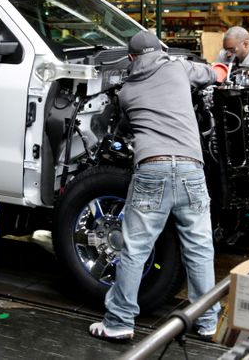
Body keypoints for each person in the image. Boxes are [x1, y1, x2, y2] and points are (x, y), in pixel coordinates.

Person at [89, 30, 227, 342]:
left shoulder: (126, 91)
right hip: (192, 168)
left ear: (130, 58)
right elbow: (212, 74)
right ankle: (206, 322)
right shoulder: (178, 67)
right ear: (160, 51)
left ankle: (120, 322)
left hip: (152, 169)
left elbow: (123, 127)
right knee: (200, 250)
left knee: (135, 250)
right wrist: (224, 69)